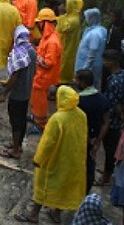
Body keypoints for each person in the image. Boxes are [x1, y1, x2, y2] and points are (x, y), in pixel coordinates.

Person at [14, 86, 88, 224]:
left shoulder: (57, 118)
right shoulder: (81, 115)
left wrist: (38, 159)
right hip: (72, 159)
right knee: (63, 186)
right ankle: (56, 212)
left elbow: (47, 142)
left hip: (55, 159)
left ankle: (34, 214)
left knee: (44, 185)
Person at [0, 25, 37, 160]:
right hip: (27, 92)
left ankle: (15, 151)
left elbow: (14, 77)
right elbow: (35, 71)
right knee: (22, 119)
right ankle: (18, 144)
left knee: (15, 121)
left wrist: (4, 93)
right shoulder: (32, 50)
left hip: (17, 93)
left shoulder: (18, 53)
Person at [75, 68, 111, 194]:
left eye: (77, 80)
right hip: (94, 138)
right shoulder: (103, 99)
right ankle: (86, 191)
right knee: (90, 166)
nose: (75, 82)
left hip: (79, 139)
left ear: (83, 83)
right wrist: (98, 141)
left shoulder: (78, 101)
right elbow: (106, 121)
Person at [97, 50, 124, 186]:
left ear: (111, 63)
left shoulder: (113, 81)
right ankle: (108, 171)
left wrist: (120, 117)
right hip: (120, 117)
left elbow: (115, 104)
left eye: (105, 61)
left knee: (110, 148)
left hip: (112, 120)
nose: (104, 63)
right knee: (113, 148)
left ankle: (106, 176)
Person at [31, 8, 63, 133]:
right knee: (35, 98)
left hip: (45, 77)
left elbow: (48, 63)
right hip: (40, 75)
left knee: (40, 101)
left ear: (45, 23)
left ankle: (40, 124)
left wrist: (36, 57)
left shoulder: (52, 41)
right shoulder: (47, 37)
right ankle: (35, 117)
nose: (38, 25)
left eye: (39, 23)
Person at [75, 8, 107, 92]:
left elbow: (92, 52)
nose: (86, 20)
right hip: (90, 65)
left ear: (92, 18)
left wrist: (85, 68)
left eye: (87, 18)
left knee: (87, 87)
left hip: (89, 67)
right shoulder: (99, 30)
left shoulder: (95, 34)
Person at [57, 0, 85, 84]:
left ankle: (64, 80)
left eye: (65, 5)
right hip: (62, 44)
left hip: (68, 46)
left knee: (65, 63)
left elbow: (61, 29)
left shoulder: (73, 20)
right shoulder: (68, 16)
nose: (62, 6)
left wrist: (60, 13)